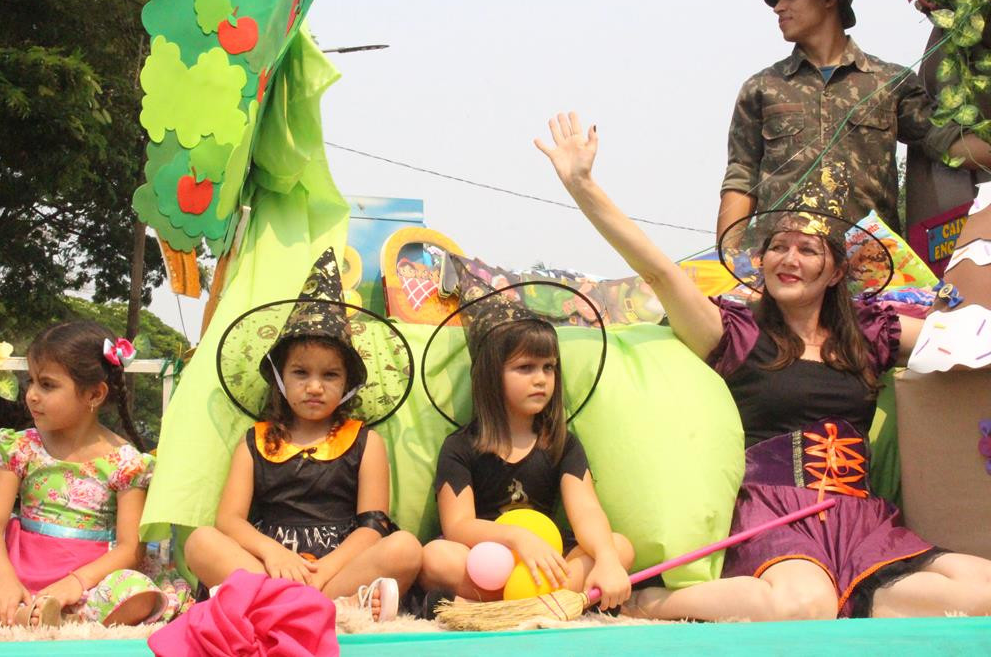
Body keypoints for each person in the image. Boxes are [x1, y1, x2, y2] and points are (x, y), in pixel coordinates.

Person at [537, 111, 991, 620]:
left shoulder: (872, 332)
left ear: (837, 269)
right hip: (772, 514)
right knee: (804, 604)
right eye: (777, 246)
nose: (787, 259)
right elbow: (660, 271)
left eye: (806, 249)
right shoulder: (736, 333)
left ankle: (861, 600)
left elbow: (970, 338)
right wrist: (583, 186)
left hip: (861, 521)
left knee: (983, 588)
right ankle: (652, 601)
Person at [184, 248, 421, 622]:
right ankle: (327, 608)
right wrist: (275, 555)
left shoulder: (365, 442)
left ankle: (276, 607)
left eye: (329, 375)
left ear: (348, 384)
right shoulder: (255, 441)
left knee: (405, 548)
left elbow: (374, 526)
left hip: (339, 564)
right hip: (270, 564)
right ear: (279, 378)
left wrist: (326, 570)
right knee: (201, 542)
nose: (314, 387)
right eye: (300, 373)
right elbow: (229, 521)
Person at [418, 272, 634, 612]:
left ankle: (493, 607)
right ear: (491, 375)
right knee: (435, 556)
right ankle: (545, 604)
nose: (541, 380)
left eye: (548, 368)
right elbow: (458, 526)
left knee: (619, 547)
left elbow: (587, 509)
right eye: (525, 368)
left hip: (548, 564)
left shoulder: (562, 443)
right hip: (487, 562)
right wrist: (517, 538)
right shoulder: (460, 447)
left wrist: (607, 559)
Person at [719, 0, 991, 238]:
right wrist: (727, 257)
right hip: (786, 266)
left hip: (869, 266)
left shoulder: (890, 82)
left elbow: (944, 142)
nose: (778, 7)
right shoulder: (762, 87)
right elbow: (742, 178)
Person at [0, 321, 191, 627]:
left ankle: (49, 613)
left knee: (136, 594)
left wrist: (75, 583)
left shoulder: (126, 462)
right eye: (31, 381)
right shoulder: (21, 446)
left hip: (89, 575)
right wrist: (2, 578)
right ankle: (23, 613)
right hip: (19, 561)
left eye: (47, 384)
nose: (31, 395)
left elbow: (130, 548)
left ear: (94, 394)